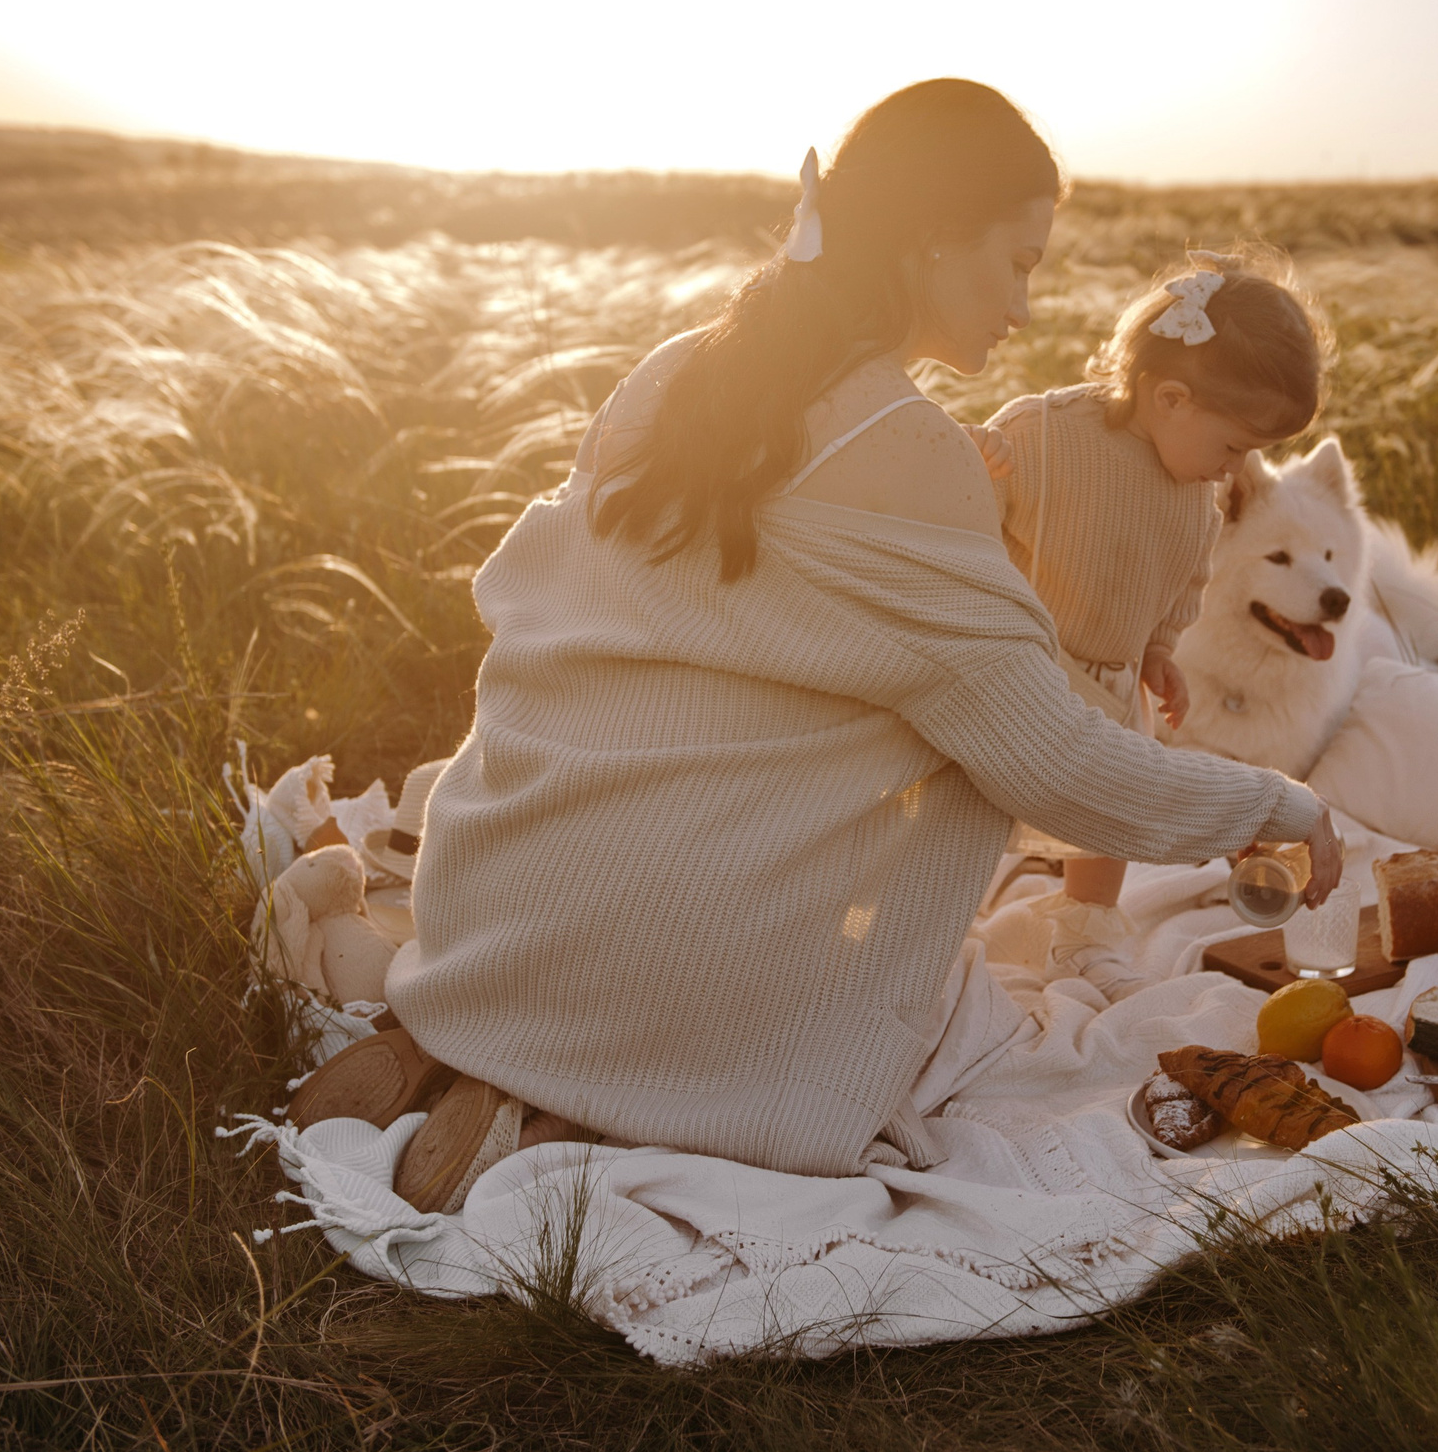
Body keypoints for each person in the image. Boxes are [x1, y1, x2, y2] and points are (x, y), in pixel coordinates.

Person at [329, 81, 1340, 1196]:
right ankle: (573, 1094)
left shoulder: (682, 365)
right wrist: (1266, 807)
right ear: (928, 245)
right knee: (951, 931)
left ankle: (467, 1034)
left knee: (865, 704)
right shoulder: (913, 451)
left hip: (499, 876)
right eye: (1018, 263)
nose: (1023, 306)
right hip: (666, 948)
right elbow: (1052, 760)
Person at [968, 249, 1330, 999]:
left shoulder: (1194, 489)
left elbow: (1182, 577)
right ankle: (941, 919)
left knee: (1105, 825)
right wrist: (982, 465)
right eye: (1234, 445)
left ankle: (1083, 935)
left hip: (1111, 676)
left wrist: (1159, 646)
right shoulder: (1048, 434)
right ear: (1169, 398)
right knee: (967, 808)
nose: (1235, 469)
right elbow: (973, 520)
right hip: (1028, 671)